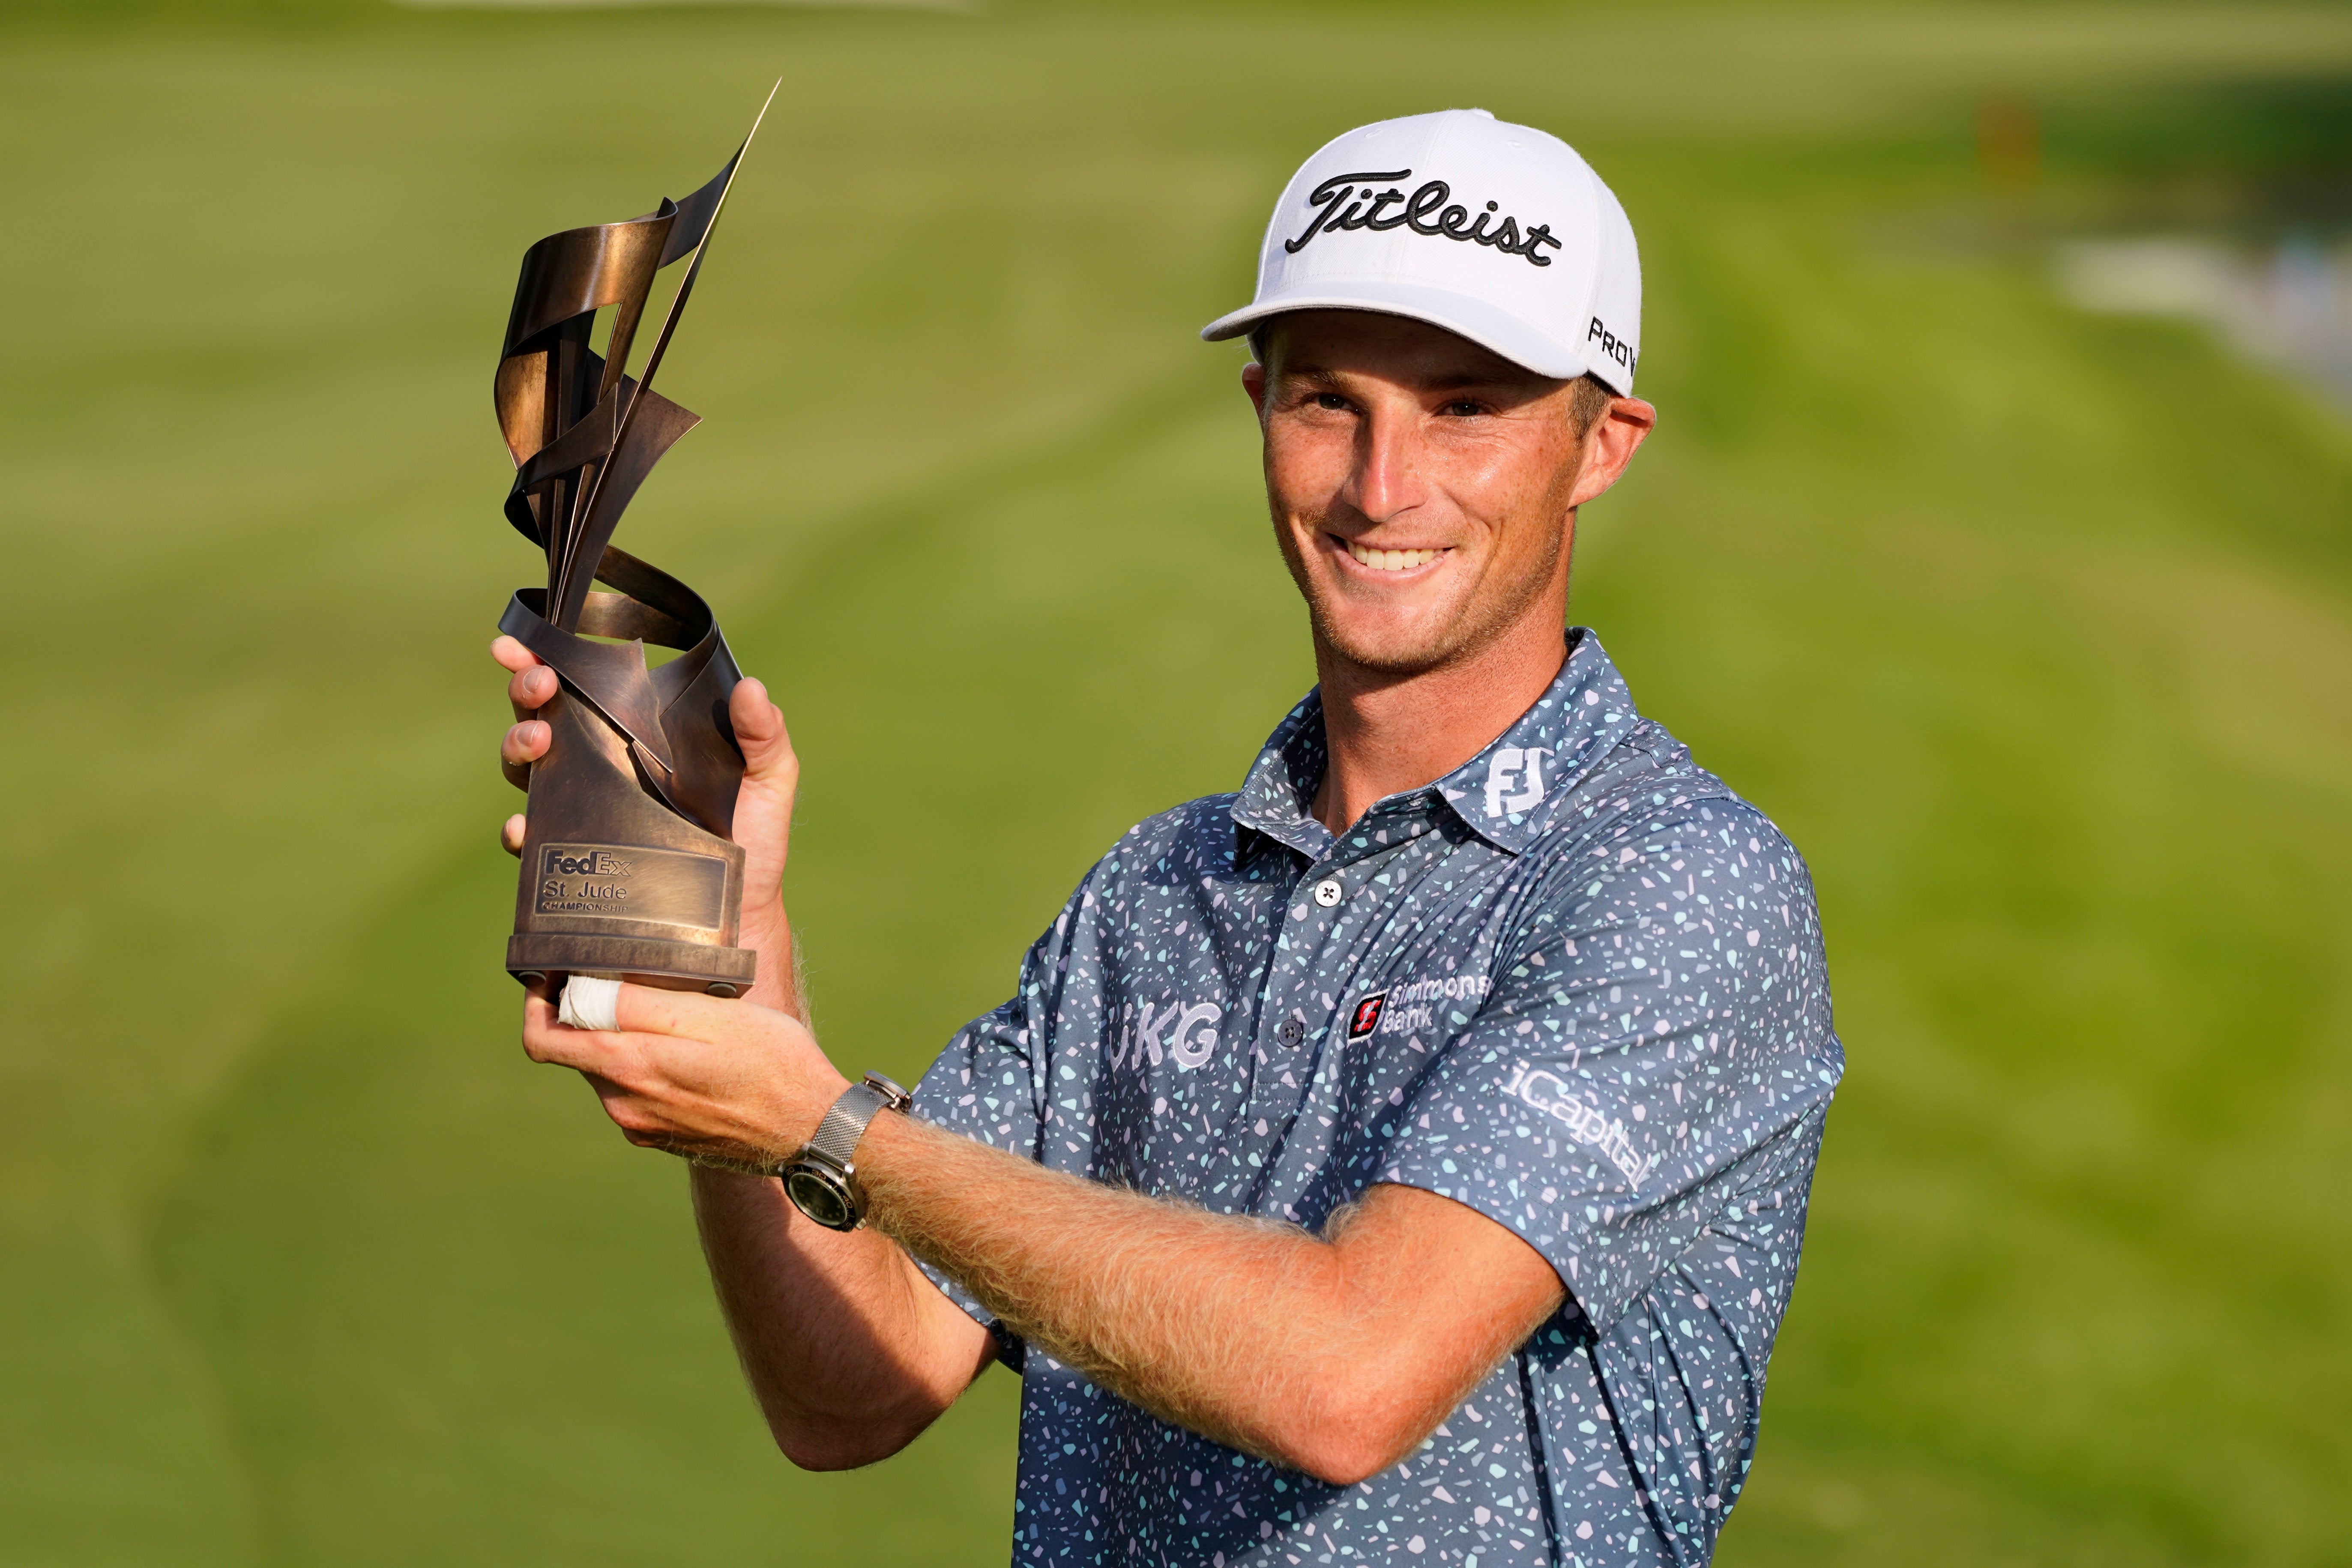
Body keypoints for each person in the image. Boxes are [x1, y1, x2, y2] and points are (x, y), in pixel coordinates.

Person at [492, 108, 1842, 1567]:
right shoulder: (1154, 889)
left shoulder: (1678, 880)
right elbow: (849, 1387)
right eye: (1328, 401)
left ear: (1600, 445)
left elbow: (1346, 1376)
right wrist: (732, 977)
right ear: (1257, 407)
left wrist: (827, 1127)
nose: (1381, 486)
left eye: (1465, 406)